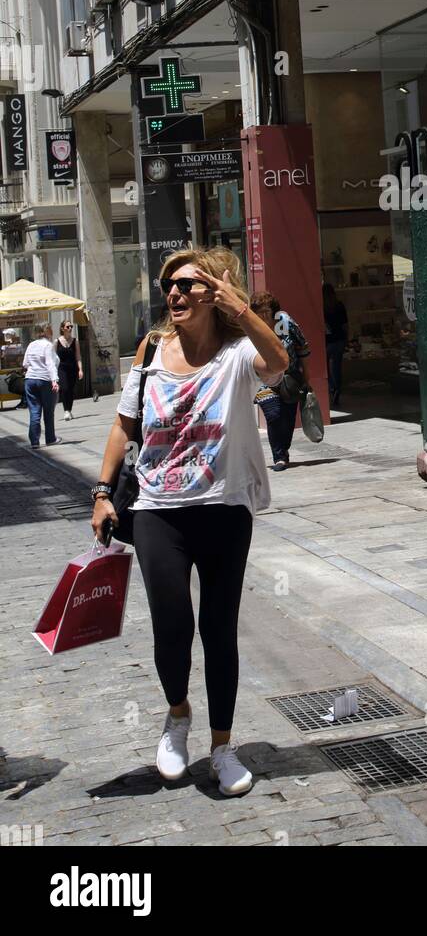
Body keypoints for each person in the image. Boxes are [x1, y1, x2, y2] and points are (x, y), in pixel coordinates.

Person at [90, 247, 288, 797]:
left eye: (186, 285)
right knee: (172, 622)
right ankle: (178, 715)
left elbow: (280, 363)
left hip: (223, 507)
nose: (173, 294)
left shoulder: (239, 354)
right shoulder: (152, 348)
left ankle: (222, 747)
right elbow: (124, 424)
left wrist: (242, 309)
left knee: (219, 629)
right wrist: (103, 492)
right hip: (157, 509)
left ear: (214, 293)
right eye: (168, 287)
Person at [249, 291, 310, 471]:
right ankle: (279, 457)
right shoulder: (252, 326)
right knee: (273, 414)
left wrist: (307, 376)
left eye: (267, 311)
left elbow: (302, 347)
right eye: (259, 311)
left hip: (289, 378)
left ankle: (283, 449)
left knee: (288, 418)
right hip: (262, 380)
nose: (263, 315)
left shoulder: (284, 322)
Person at [22, 323, 60, 449]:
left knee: (34, 411)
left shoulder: (31, 345)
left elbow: (25, 363)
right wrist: (54, 380)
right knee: (48, 412)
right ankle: (50, 439)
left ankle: (34, 442)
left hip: (30, 380)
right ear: (47, 330)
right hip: (44, 380)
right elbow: (50, 363)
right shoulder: (48, 345)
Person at [323, 282, 348, 407]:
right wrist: (346, 339)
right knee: (337, 366)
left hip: (327, 341)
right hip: (339, 340)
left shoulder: (322, 307)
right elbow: (345, 325)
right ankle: (337, 388)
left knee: (326, 367)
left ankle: (332, 388)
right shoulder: (339, 305)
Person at [56, 320, 83, 420]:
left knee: (71, 390)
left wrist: (80, 369)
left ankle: (69, 410)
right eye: (68, 327)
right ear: (62, 329)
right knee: (64, 388)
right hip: (61, 368)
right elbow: (53, 358)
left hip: (73, 368)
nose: (70, 328)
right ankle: (66, 410)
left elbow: (78, 356)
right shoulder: (57, 342)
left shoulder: (75, 341)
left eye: (71, 326)